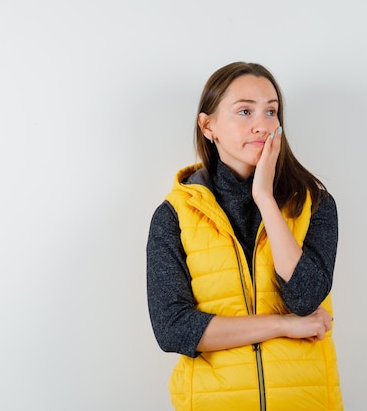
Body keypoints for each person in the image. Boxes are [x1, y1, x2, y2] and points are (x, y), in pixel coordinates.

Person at [146, 62, 343, 411]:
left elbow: (305, 298)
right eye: (245, 111)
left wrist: (265, 198)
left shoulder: (314, 203)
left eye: (271, 111)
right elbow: (173, 330)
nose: (263, 125)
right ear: (209, 127)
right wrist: (283, 325)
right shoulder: (174, 216)